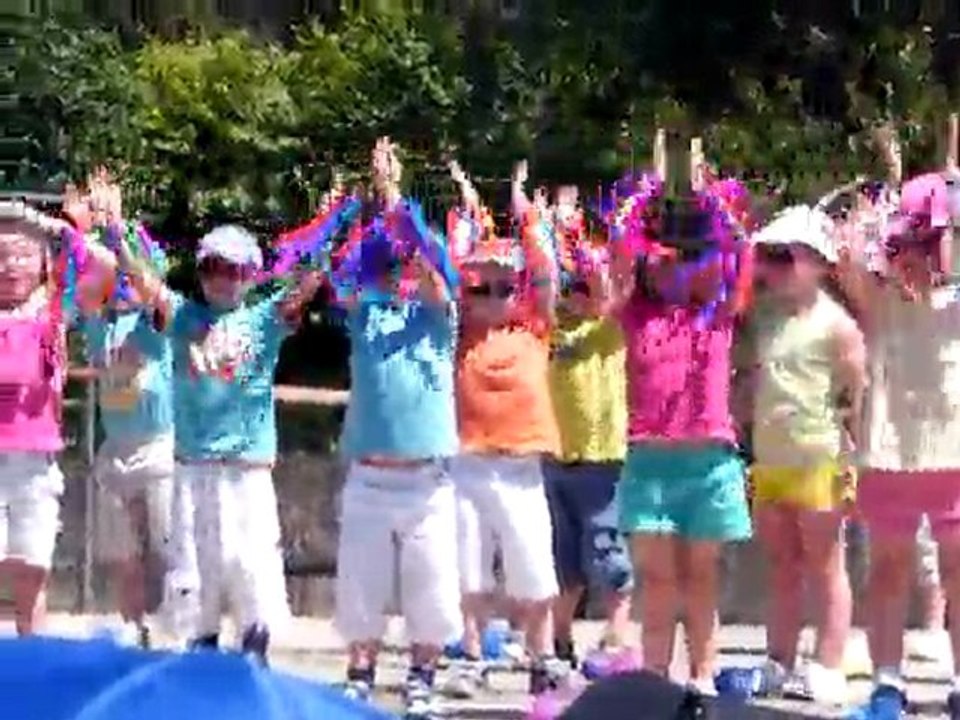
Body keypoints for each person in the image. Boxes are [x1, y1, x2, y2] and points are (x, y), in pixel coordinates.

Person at [117, 206, 321, 662]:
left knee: (250, 559)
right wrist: (115, 229)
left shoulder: (264, 318)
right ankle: (199, 641)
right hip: (194, 464)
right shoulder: (184, 317)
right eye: (212, 268)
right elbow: (146, 283)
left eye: (234, 270)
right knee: (194, 561)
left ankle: (255, 641)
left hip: (247, 467)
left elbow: (307, 282)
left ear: (251, 275)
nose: (223, 279)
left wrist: (341, 218)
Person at [608, 171, 753, 694]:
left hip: (709, 464)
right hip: (651, 464)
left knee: (701, 578)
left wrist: (711, 200)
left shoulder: (719, 315)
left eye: (685, 260)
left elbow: (739, 250)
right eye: (662, 260)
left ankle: (702, 677)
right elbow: (619, 255)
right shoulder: (635, 314)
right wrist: (643, 198)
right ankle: (653, 682)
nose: (673, 268)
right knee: (659, 581)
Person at [333, 138, 462, 720]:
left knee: (430, 588)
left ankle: (422, 677)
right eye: (392, 263)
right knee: (361, 586)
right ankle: (360, 674)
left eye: (406, 261)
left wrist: (393, 197)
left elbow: (435, 274)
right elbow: (339, 277)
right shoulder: (365, 311)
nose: (402, 271)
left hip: (426, 480)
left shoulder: (439, 314)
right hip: (369, 474)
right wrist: (369, 209)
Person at [837, 171, 960, 717]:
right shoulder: (879, 296)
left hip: (953, 453)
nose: (921, 255)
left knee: (958, 573)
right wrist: (875, 221)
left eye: (930, 243)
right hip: (889, 452)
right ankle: (886, 682)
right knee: (887, 571)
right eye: (912, 243)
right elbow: (846, 259)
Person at [740, 205, 865, 704]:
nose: (772, 267)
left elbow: (856, 396)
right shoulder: (763, 318)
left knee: (825, 565)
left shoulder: (838, 325)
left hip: (820, 459)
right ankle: (779, 658)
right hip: (770, 459)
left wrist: (856, 461)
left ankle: (828, 662)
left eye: (784, 257)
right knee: (781, 566)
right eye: (768, 256)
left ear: (818, 262)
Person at [453, 159, 565, 697]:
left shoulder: (535, 327)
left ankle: (542, 657)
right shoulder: (460, 333)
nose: (494, 296)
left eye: (505, 287)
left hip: (521, 464)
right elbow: (451, 270)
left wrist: (526, 213)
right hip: (468, 460)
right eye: (484, 288)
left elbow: (545, 271)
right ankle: (471, 654)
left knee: (533, 566)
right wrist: (467, 205)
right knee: (468, 566)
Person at [0, 192, 114, 635]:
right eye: (1, 256)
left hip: (35, 462)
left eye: (22, 255)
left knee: (32, 572)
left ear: (43, 262)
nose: (10, 266)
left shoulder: (52, 314)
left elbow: (103, 270)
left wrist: (60, 230)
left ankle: (32, 660)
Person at [83, 214, 175, 649]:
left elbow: (156, 296)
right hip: (115, 447)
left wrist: (121, 240)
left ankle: (172, 624)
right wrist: (83, 231)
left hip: (157, 446)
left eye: (129, 275)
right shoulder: (100, 324)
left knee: (164, 545)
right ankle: (132, 625)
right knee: (124, 552)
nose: (123, 282)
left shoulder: (154, 322)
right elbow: (81, 282)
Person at [546, 218, 632, 667]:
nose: (576, 295)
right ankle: (560, 639)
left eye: (581, 286)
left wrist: (580, 244)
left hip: (602, 458)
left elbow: (607, 290)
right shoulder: (548, 329)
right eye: (569, 287)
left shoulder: (609, 328)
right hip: (555, 457)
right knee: (562, 559)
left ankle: (617, 634)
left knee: (607, 548)